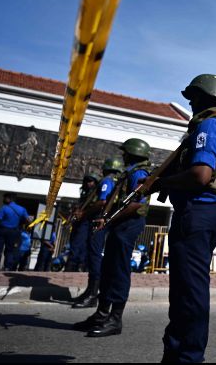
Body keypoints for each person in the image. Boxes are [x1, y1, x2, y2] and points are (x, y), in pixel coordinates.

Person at [148, 74, 216, 363]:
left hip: (197, 212)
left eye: (194, 97)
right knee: (185, 289)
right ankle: (179, 351)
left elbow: (201, 174)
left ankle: (187, 356)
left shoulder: (209, 125)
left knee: (188, 291)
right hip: (204, 213)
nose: (190, 103)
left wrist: (162, 183)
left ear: (206, 98)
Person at [73, 138, 152, 337]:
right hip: (119, 224)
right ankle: (101, 315)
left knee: (119, 270)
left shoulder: (139, 174)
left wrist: (108, 218)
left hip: (128, 224)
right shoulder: (130, 173)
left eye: (125, 153)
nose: (122, 156)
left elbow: (136, 204)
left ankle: (115, 319)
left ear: (132, 154)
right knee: (108, 269)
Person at [72, 158, 124, 309]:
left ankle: (93, 295)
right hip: (102, 221)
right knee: (92, 255)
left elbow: (102, 202)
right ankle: (89, 291)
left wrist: (84, 213)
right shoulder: (115, 180)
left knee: (94, 255)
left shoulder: (107, 181)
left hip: (98, 221)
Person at [66, 174, 100, 272]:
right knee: (75, 243)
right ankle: (72, 265)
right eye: (87, 181)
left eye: (91, 181)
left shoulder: (95, 193)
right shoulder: (85, 193)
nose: (88, 183)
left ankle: (77, 265)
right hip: (80, 222)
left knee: (80, 244)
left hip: (87, 221)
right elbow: (78, 207)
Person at [0, 193, 32, 271]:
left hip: (2, 230)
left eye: (5, 198)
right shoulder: (22, 209)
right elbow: (28, 221)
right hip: (14, 231)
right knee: (10, 250)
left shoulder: (4, 208)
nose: (3, 200)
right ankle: (7, 267)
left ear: (9, 199)